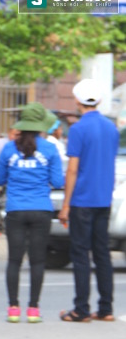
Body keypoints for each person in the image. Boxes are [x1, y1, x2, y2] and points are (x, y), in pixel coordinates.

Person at [0, 102, 64, 323]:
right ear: (41, 125)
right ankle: (33, 309)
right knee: (37, 261)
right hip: (41, 210)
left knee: (14, 260)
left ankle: (13, 309)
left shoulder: (8, 148)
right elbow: (58, 181)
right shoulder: (50, 149)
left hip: (15, 209)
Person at [59, 78, 119, 323]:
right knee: (102, 253)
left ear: (77, 101)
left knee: (81, 254)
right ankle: (106, 308)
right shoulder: (112, 128)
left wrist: (65, 205)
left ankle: (81, 309)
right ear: (100, 100)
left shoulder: (78, 129)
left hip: (82, 200)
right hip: (103, 199)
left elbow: (72, 169)